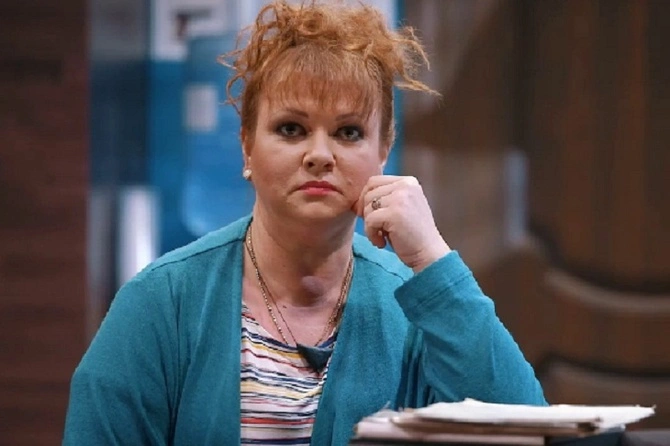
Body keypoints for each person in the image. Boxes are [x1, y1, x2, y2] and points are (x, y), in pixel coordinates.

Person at [63, 1, 546, 445]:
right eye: (291, 129)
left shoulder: (416, 308)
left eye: (348, 132)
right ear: (247, 145)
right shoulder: (161, 301)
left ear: (382, 151)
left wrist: (431, 259)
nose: (319, 154)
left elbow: (530, 430)